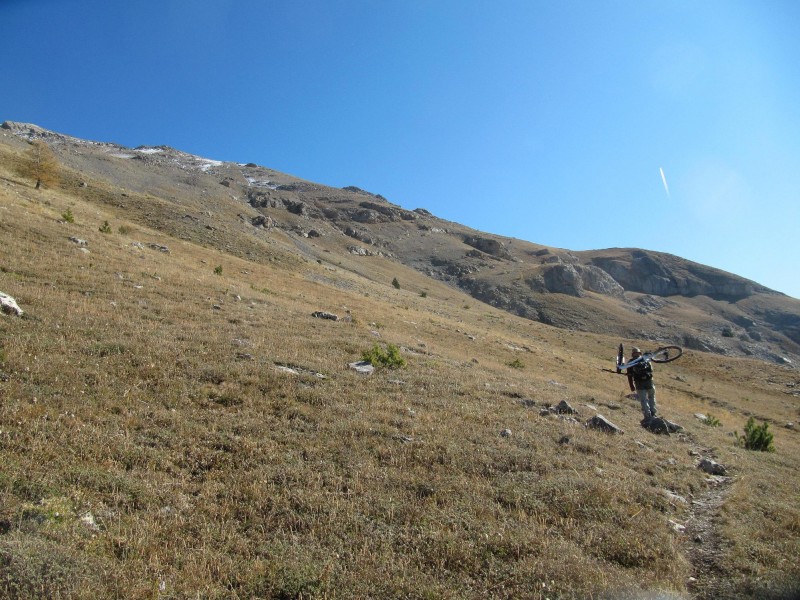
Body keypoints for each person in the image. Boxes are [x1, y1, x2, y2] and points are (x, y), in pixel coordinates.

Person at [627, 347, 657, 420]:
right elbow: (651, 370)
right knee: (651, 397)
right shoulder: (645, 359)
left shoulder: (630, 362)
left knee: (643, 400)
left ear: (632, 354)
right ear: (640, 353)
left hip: (639, 383)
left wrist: (631, 386)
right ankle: (653, 413)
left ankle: (647, 415)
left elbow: (629, 375)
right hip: (649, 381)